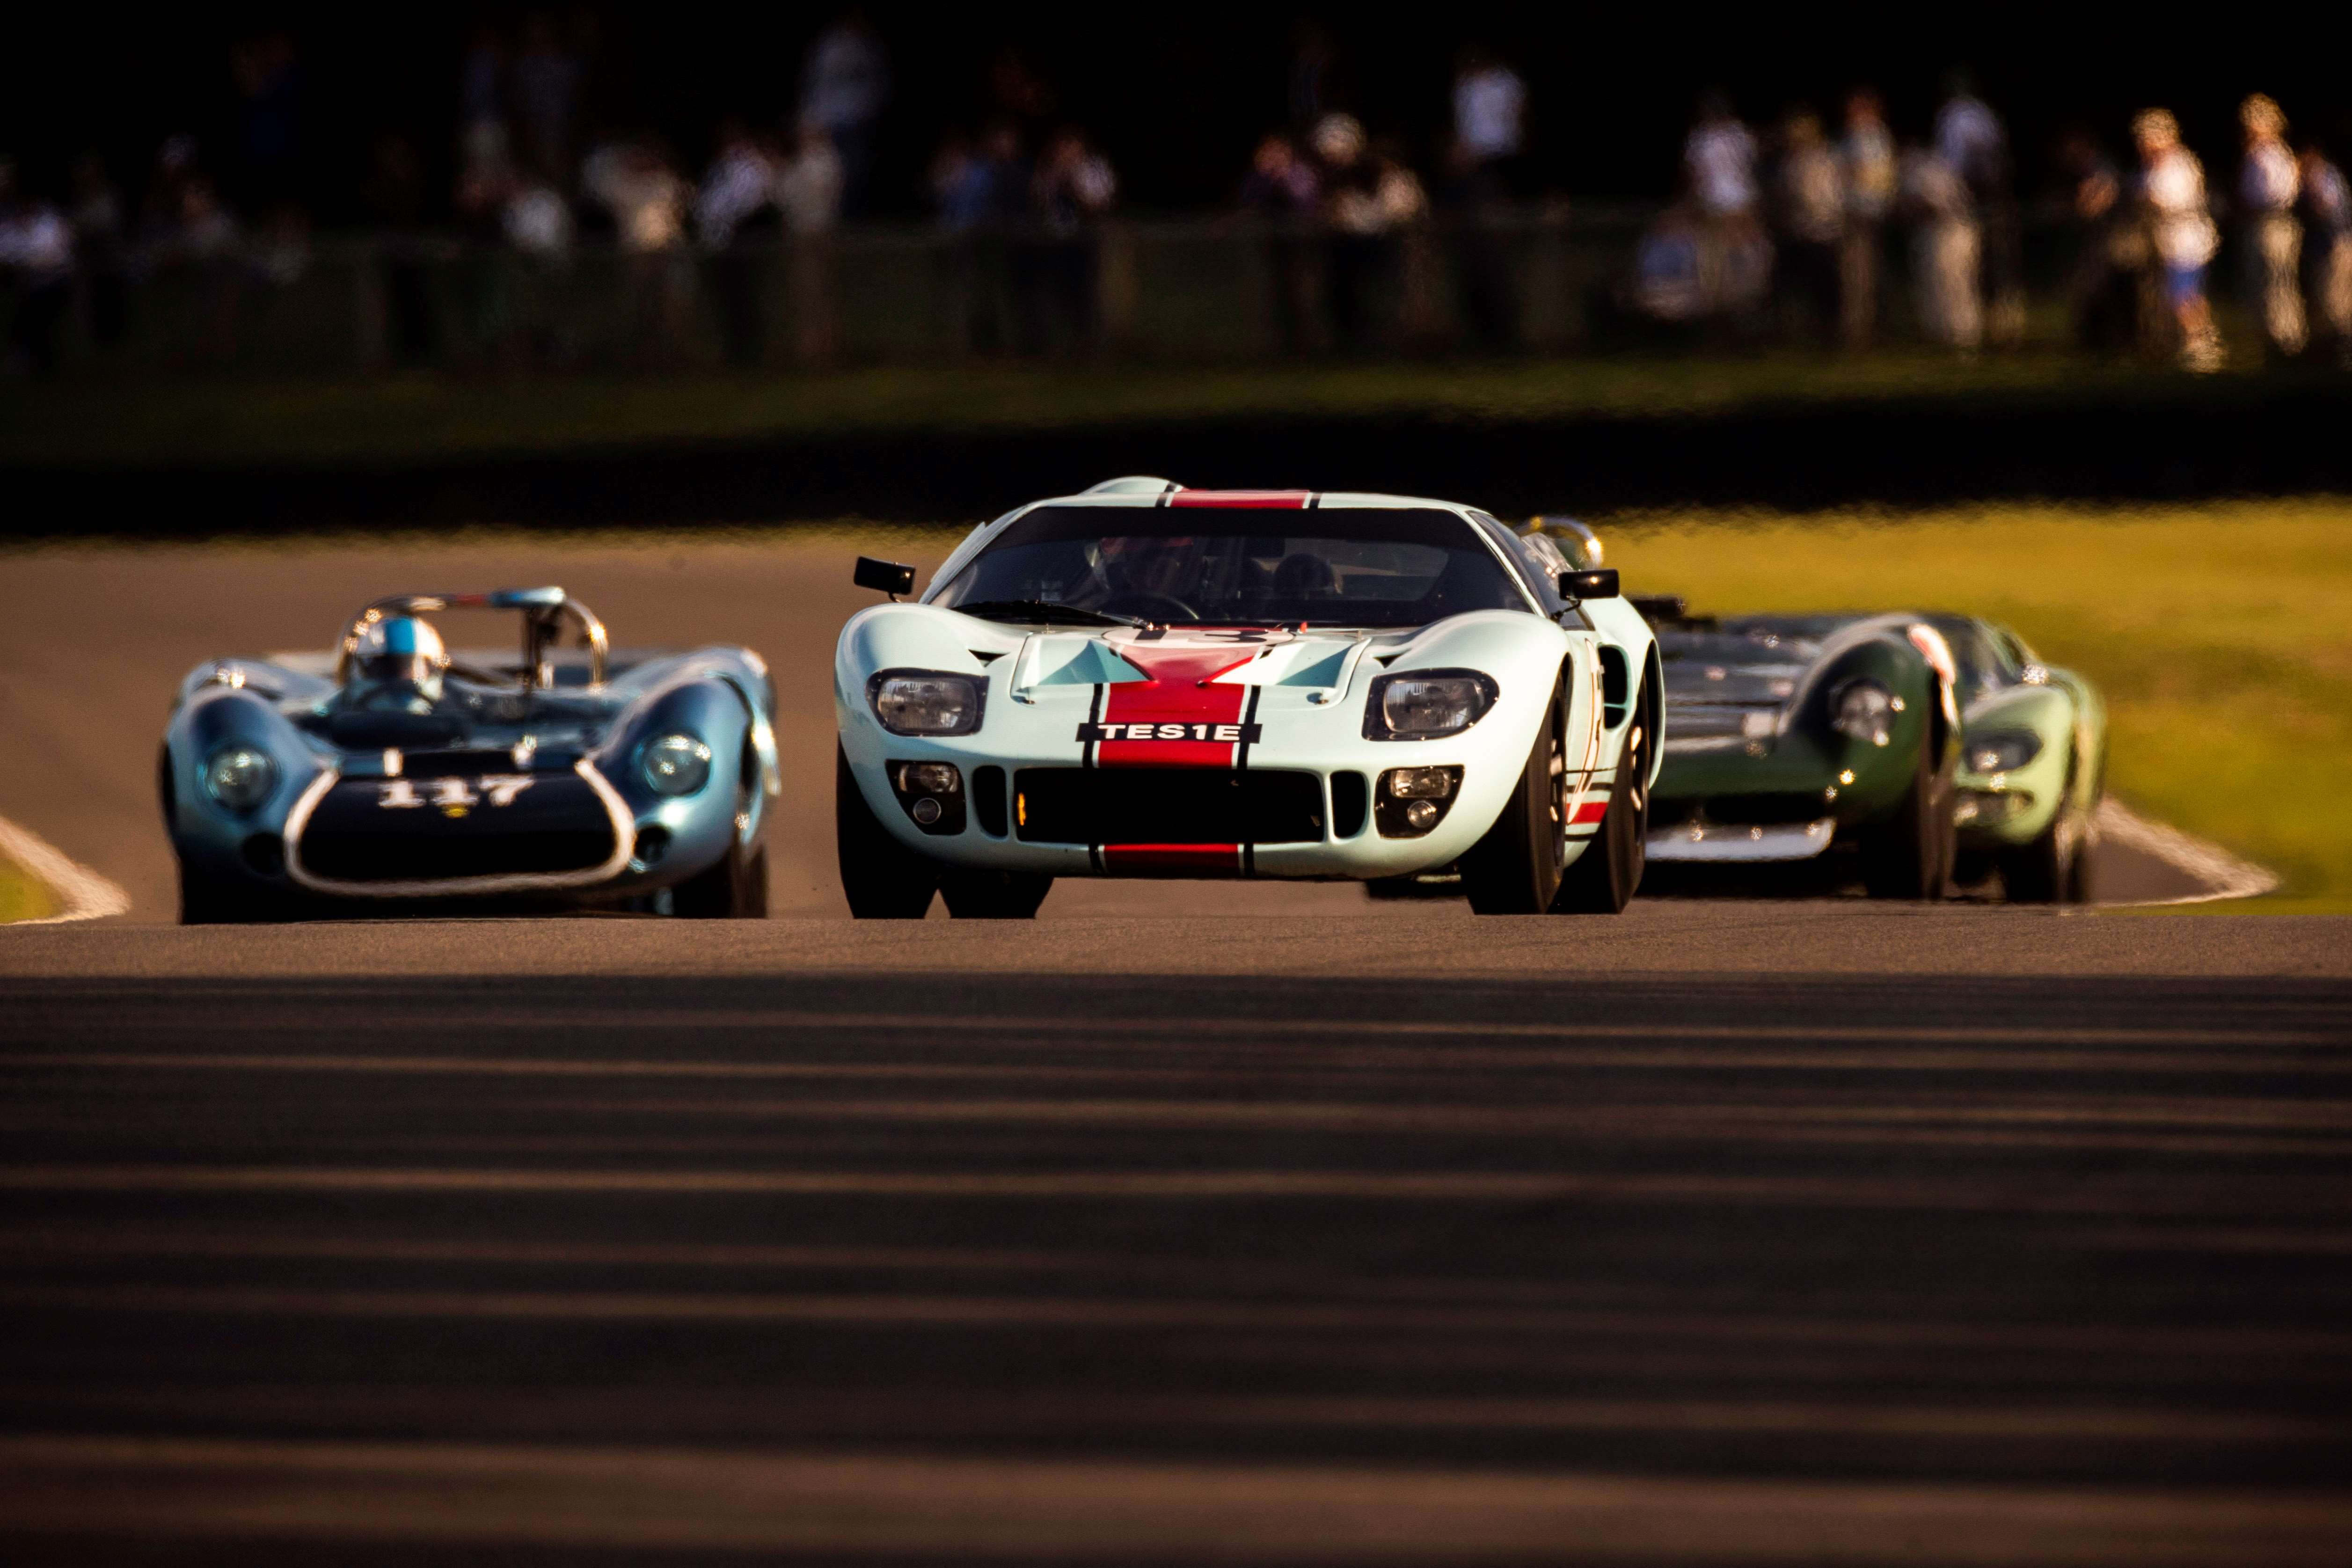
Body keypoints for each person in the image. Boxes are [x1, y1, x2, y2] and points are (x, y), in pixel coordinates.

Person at [1313, 113, 1424, 354]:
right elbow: (1336, 214)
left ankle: (1395, 342)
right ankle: (1354, 342)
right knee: (1351, 298)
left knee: (1388, 297)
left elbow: (1403, 210)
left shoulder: (1389, 179)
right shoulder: (1335, 182)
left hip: (1389, 246)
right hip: (1351, 248)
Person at [1446, 45, 1525, 352]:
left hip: (1498, 165)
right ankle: (1483, 329)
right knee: (1475, 252)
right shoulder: (1463, 85)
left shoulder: (1507, 82)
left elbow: (1513, 127)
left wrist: (1481, 153)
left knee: (1493, 252)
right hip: (1470, 172)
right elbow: (1463, 128)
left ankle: (1503, 330)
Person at [1934, 72, 2020, 346]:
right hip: (1988, 196)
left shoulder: (1957, 116)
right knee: (1993, 266)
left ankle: (1990, 327)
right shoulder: (1984, 115)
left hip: (1975, 198)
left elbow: (1959, 164)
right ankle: (1998, 327)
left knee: (1983, 266)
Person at [2133, 108, 2222, 371]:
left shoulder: (2180, 164)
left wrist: (2146, 201)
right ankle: (2199, 344)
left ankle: (2202, 348)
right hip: (2171, 243)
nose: (2144, 144)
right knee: (2186, 296)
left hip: (2187, 243)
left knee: (2184, 297)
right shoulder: (2154, 167)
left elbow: (2168, 201)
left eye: (2148, 138)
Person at [697, 118, 779, 367]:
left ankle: (752, 353)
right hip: (719, 244)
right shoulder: (718, 169)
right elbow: (707, 206)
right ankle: (734, 351)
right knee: (727, 302)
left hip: (743, 241)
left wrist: (727, 222)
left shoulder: (751, 167)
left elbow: (749, 203)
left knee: (747, 300)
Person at [1027, 128, 1116, 355]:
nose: (1066, 153)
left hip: (1084, 241)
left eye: (1072, 147)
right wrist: (1052, 182)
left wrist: (1073, 185)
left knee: (1084, 294)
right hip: (1054, 241)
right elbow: (1037, 204)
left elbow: (1100, 205)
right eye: (1062, 148)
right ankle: (1052, 344)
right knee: (1053, 293)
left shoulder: (1094, 169)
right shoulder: (1048, 171)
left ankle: (1088, 344)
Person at [800, 11, 888, 219]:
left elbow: (880, 82)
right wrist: (811, 115)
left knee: (859, 166)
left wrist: (873, 108)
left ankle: (857, 212)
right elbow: (815, 83)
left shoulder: (868, 47)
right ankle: (838, 214)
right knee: (835, 169)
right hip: (832, 119)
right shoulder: (829, 46)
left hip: (859, 118)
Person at [2237, 94, 2305, 360]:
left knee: (2279, 281)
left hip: (2274, 223)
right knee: (2263, 282)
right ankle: (2272, 340)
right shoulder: (2254, 156)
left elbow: (2282, 194)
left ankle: (2288, 341)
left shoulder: (2276, 154)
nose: (2249, 128)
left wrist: (2257, 208)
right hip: (2259, 224)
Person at [1239, 132, 1321, 354]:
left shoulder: (1300, 174)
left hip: (1300, 246)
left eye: (1278, 151)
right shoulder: (1258, 178)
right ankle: (1275, 344)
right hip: (1267, 247)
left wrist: (1282, 179)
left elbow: (1305, 203)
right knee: (1272, 296)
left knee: (1302, 293)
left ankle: (1307, 343)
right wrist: (1267, 179)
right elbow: (1248, 202)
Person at [1899, 142, 1979, 351]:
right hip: (1960, 231)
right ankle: (1957, 333)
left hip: (1945, 232)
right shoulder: (1943, 165)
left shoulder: (1919, 169)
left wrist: (1910, 208)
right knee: (1954, 283)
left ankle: (1958, 334)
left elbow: (1932, 206)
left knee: (1948, 284)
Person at [1772, 109, 1843, 343]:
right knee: (1796, 284)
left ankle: (1829, 332)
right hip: (1799, 231)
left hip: (1822, 231)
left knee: (1825, 285)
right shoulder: (1791, 161)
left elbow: (1827, 197)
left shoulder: (1824, 159)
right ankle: (1799, 329)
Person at [0, 159, 76, 377]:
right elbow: (6, 251)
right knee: (28, 305)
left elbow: (56, 256)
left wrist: (24, 263)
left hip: (54, 281)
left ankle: (37, 360)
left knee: (35, 306)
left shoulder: (50, 220)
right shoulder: (11, 222)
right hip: (23, 282)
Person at [1837, 88, 1894, 346]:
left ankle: (1867, 329)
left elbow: (1876, 177)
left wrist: (1851, 173)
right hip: (1854, 215)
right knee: (1857, 274)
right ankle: (1860, 327)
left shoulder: (1874, 138)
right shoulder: (1852, 137)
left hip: (1866, 215)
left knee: (1865, 274)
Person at [2298, 141, 2352, 364]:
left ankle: (2341, 347)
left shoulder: (2323, 176)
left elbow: (2326, 208)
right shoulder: (2330, 174)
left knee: (2334, 297)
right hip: (2336, 242)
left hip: (2335, 244)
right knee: (2335, 296)